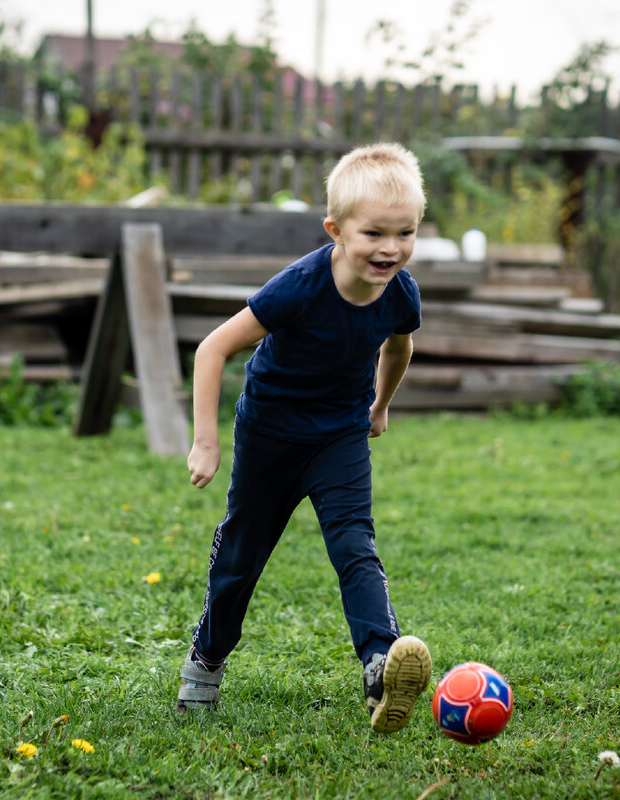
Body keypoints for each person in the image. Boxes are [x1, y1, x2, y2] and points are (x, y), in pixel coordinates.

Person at [176, 143, 432, 734]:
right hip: (269, 435)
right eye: (373, 233)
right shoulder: (299, 286)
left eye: (405, 232)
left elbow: (399, 345)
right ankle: (206, 661)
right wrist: (206, 441)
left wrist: (380, 405)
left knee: (354, 543)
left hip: (339, 435)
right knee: (241, 557)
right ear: (335, 230)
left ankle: (379, 664)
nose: (390, 248)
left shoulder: (400, 292)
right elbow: (212, 348)